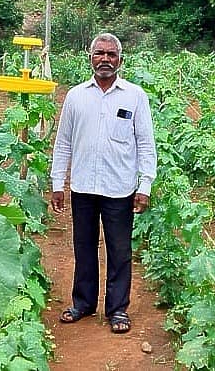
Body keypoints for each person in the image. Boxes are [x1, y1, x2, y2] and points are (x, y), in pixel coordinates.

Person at [50, 33, 157, 334]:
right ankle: (83, 303)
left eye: (111, 54)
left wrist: (145, 185)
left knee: (119, 250)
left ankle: (117, 309)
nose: (105, 59)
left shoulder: (135, 96)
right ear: (90, 57)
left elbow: (146, 144)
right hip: (82, 186)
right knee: (84, 247)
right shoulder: (75, 96)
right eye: (100, 53)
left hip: (119, 188)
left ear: (120, 60)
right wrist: (58, 182)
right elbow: (63, 143)